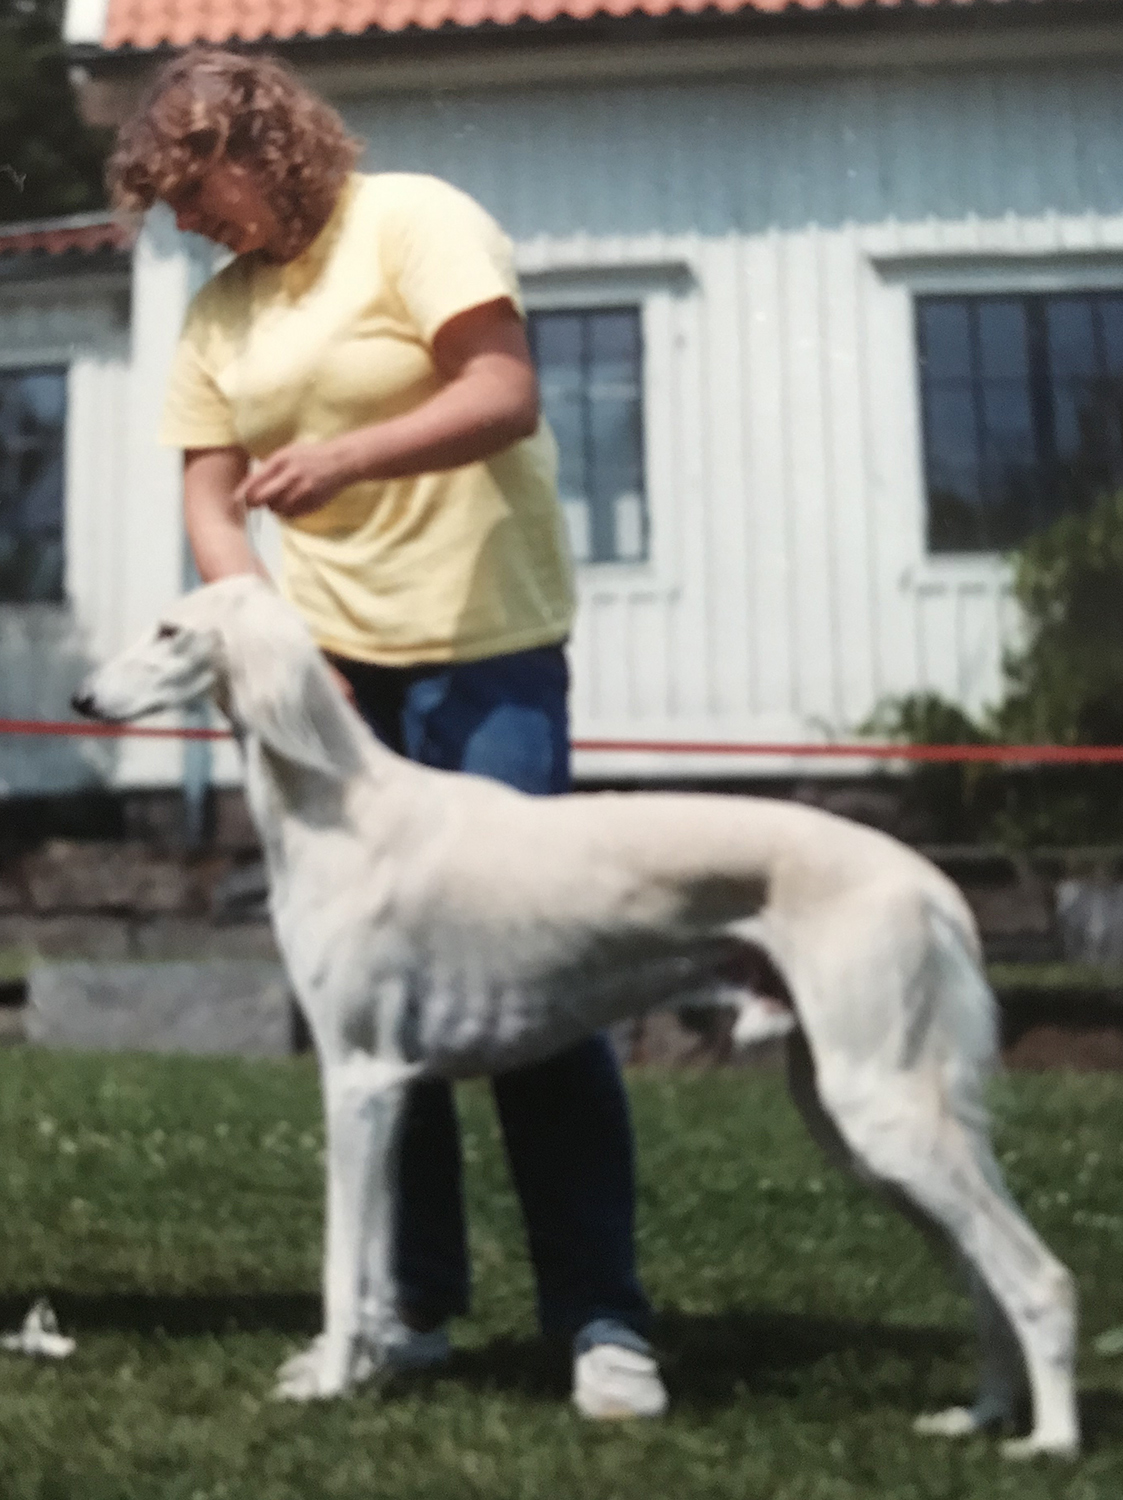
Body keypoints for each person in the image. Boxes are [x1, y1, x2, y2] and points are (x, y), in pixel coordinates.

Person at [108, 47, 667, 1419]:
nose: (190, 224)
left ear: (260, 146)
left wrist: (351, 456)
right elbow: (211, 501)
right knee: (375, 998)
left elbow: (502, 394)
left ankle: (602, 1319)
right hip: (334, 676)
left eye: (196, 191)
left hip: (488, 660)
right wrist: (274, 652)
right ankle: (411, 1309)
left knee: (535, 983)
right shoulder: (221, 314)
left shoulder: (415, 219)